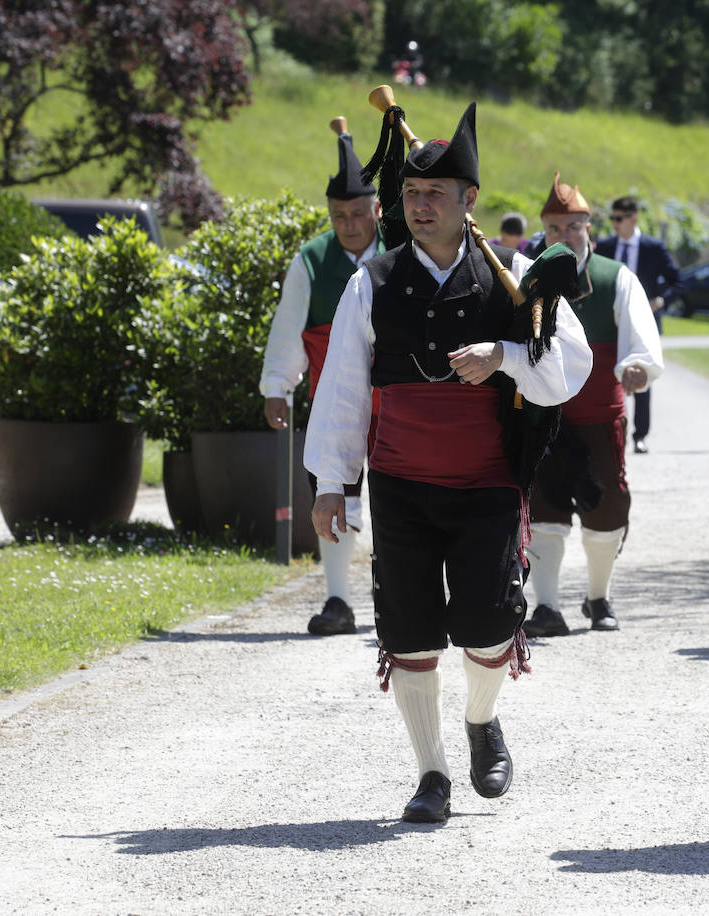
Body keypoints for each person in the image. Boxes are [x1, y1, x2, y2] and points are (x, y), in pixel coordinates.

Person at [304, 103, 593, 824]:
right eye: (410, 194)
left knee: (492, 628)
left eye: (436, 195)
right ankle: (431, 774)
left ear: (470, 203)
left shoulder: (517, 277)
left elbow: (569, 372)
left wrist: (505, 355)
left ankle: (480, 721)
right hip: (401, 486)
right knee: (408, 633)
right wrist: (333, 483)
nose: (420, 205)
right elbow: (343, 387)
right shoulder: (372, 280)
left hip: (487, 484)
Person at [520, 175, 663, 638]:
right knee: (544, 513)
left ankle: (598, 597)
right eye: (555, 228)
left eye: (572, 227)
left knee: (606, 513)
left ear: (588, 229)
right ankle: (545, 607)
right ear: (543, 229)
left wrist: (638, 368)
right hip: (542, 421)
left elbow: (641, 341)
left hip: (600, 418)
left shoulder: (614, 277)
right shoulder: (523, 279)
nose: (563, 236)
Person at [260, 123, 383, 637]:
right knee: (336, 493)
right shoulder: (311, 260)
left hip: (401, 401)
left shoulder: (403, 250)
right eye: (339, 216)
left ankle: (399, 594)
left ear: (376, 209)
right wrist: (277, 384)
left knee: (408, 497)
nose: (349, 225)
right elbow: (289, 326)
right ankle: (337, 600)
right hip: (338, 402)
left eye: (358, 214)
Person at [594, 196, 682, 454]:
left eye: (619, 219)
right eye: (612, 218)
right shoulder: (606, 246)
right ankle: (608, 431)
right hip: (610, 323)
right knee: (606, 376)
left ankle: (640, 436)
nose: (614, 224)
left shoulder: (653, 247)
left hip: (644, 324)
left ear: (633, 218)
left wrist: (661, 301)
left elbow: (678, 280)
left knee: (641, 374)